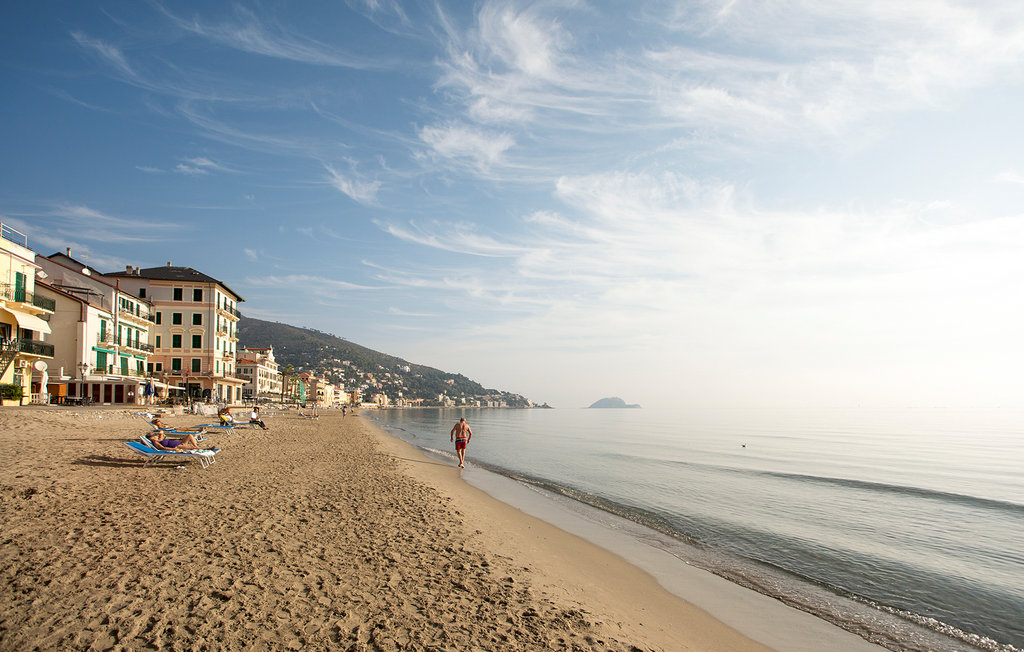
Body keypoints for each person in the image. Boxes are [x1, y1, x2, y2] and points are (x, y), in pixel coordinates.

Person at [146, 430, 212, 451]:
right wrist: (173, 449)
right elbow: (162, 448)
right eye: (154, 436)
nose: (156, 436)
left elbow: (161, 432)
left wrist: (157, 433)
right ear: (151, 438)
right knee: (192, 448)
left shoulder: (159, 439)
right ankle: (206, 449)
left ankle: (196, 446)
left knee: (189, 435)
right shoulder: (155, 442)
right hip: (177, 446)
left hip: (179, 443)